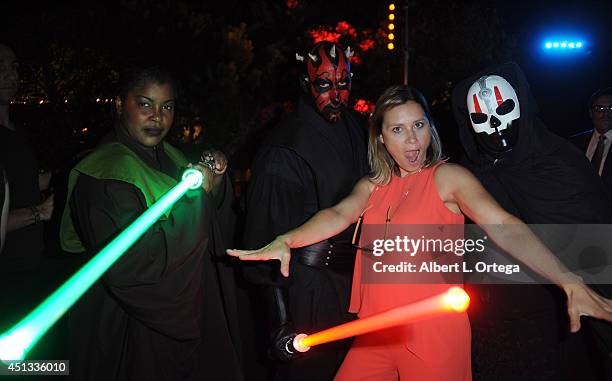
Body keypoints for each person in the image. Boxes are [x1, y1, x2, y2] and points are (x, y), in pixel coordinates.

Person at [229, 85, 612, 381]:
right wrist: (287, 240)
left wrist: (568, 280)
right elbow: (337, 214)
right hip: (375, 333)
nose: (412, 140)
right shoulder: (373, 185)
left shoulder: (447, 177)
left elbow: (504, 226)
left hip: (433, 334)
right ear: (381, 137)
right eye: (398, 129)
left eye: (419, 125)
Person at [59, 65, 243, 380]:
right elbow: (134, 267)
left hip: (189, 312)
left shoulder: (170, 156)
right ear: (120, 105)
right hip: (133, 328)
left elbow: (210, 223)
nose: (157, 117)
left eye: (166, 106)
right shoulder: (104, 175)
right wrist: (199, 198)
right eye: (145, 104)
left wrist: (218, 181)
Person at [451, 62, 612, 380]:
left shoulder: (559, 162)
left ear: (522, 105)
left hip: (553, 315)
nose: (495, 124)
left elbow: (597, 246)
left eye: (504, 109)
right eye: (481, 118)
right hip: (492, 316)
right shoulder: (468, 173)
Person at [242, 41, 368, 380]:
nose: (337, 94)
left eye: (344, 82)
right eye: (325, 84)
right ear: (305, 83)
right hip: (307, 291)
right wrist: (281, 323)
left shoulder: (357, 127)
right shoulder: (283, 150)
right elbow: (265, 247)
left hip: (356, 285)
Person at [0, 43, 55, 272]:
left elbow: (23, 184)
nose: (10, 75)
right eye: (0, 68)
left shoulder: (17, 130)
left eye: (13, 68)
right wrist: (40, 212)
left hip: (32, 259)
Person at [583, 87, 612, 194]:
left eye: (611, 108)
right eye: (600, 109)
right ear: (591, 113)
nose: (606, 114)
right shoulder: (574, 143)